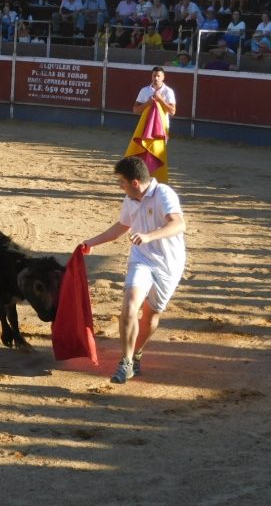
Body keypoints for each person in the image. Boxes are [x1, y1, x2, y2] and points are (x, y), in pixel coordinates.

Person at [81, 155, 186, 384]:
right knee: (129, 304)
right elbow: (122, 227)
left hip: (169, 264)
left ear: (135, 182)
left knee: (150, 315)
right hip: (142, 260)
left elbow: (179, 224)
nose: (120, 185)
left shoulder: (164, 194)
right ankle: (126, 362)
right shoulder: (130, 199)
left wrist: (149, 236)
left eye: (122, 181)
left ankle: (136, 354)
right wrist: (91, 242)